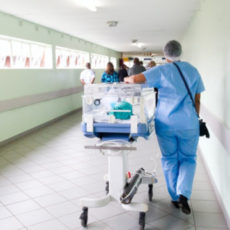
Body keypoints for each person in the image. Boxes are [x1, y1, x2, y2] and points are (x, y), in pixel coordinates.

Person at [124, 40, 205, 215]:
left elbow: (135, 80)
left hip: (166, 123)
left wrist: (127, 77)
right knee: (188, 159)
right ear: (180, 52)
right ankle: (184, 193)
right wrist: (194, 118)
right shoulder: (193, 70)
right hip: (189, 124)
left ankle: (175, 198)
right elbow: (197, 100)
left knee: (169, 159)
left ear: (165, 53)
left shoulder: (161, 70)